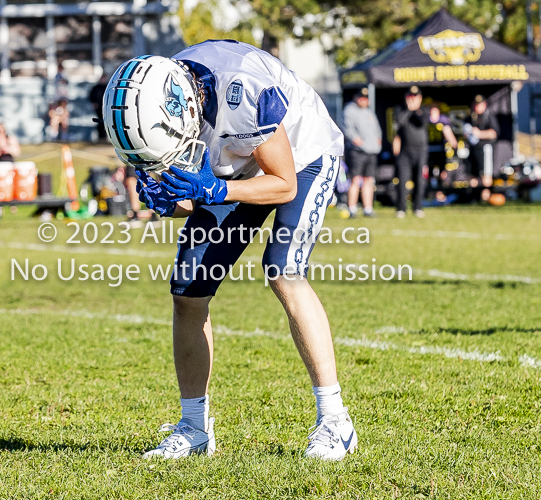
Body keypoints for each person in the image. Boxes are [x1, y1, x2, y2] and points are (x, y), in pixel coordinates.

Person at [104, 42, 355, 461]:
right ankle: (194, 427)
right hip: (233, 167)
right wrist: (168, 201)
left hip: (302, 158)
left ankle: (335, 420)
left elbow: (283, 183)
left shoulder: (242, 91)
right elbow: (191, 198)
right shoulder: (155, 105)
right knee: (188, 291)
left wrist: (215, 189)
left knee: (284, 271)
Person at [342, 87, 381, 218]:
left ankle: (368, 209)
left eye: (366, 98)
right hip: (357, 152)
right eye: (361, 97)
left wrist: (377, 141)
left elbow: (377, 130)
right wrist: (357, 141)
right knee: (355, 180)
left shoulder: (369, 112)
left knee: (368, 180)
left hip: (371, 151)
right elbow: (348, 130)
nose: (363, 100)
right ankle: (352, 208)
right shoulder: (349, 110)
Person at [392, 86, 428, 218]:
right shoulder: (400, 110)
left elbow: (421, 122)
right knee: (402, 180)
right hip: (405, 150)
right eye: (410, 97)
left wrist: (415, 110)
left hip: (421, 150)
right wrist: (409, 109)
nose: (412, 100)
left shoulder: (423, 110)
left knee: (420, 180)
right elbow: (399, 121)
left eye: (415, 97)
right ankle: (401, 208)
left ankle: (417, 207)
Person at [467, 94, 499, 193]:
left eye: (479, 104)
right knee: (473, 175)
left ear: (484, 104)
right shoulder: (472, 116)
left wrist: (479, 134)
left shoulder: (489, 115)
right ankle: (474, 198)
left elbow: (494, 133)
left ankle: (486, 197)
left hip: (486, 149)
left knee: (486, 175)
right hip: (473, 149)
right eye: (475, 105)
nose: (477, 107)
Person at [89, 75, 108, 142]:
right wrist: (94, 103)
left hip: (105, 107)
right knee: (100, 121)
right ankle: (100, 137)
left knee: (105, 122)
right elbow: (91, 96)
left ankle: (104, 136)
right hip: (99, 107)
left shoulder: (106, 87)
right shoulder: (96, 88)